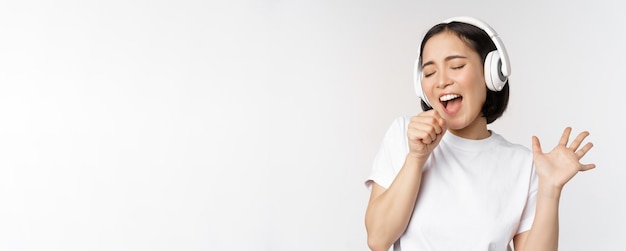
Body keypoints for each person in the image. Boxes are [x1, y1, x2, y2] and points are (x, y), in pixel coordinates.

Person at [364, 16, 596, 251]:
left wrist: (550, 190)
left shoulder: (524, 165)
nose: (442, 81)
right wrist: (416, 158)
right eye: (430, 72)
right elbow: (378, 239)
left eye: (456, 66)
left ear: (492, 73)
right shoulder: (405, 134)